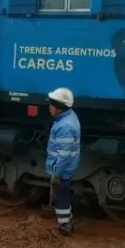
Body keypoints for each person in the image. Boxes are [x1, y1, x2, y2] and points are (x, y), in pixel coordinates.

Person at [45, 87, 80, 236]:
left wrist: (56, 173)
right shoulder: (68, 117)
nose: (50, 107)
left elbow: (63, 155)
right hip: (67, 167)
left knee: (61, 197)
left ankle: (65, 225)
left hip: (63, 169)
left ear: (60, 108)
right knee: (63, 195)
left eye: (52, 105)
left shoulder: (64, 126)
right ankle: (67, 220)